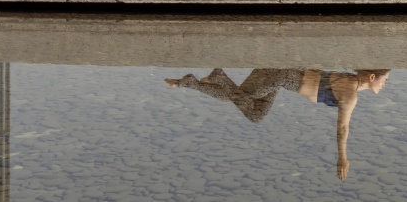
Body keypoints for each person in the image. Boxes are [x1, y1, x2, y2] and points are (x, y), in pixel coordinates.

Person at [165, 68, 390, 181]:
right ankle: (198, 80)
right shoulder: (349, 94)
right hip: (279, 77)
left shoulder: (349, 79)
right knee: (233, 97)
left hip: (280, 78)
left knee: (256, 114)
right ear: (372, 77)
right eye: (385, 79)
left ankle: (215, 77)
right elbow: (342, 128)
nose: (385, 84)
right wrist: (342, 157)